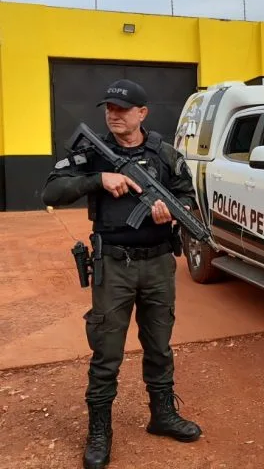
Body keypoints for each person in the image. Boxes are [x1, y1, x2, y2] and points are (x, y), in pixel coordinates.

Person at [41, 79, 202, 469]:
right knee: (107, 350)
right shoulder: (92, 153)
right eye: (108, 108)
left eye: (122, 109)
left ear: (142, 113)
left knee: (160, 344)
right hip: (113, 265)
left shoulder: (165, 154)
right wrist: (98, 179)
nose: (113, 115)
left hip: (159, 263)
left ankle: (161, 415)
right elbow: (51, 191)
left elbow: (189, 198)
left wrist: (172, 209)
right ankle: (100, 431)